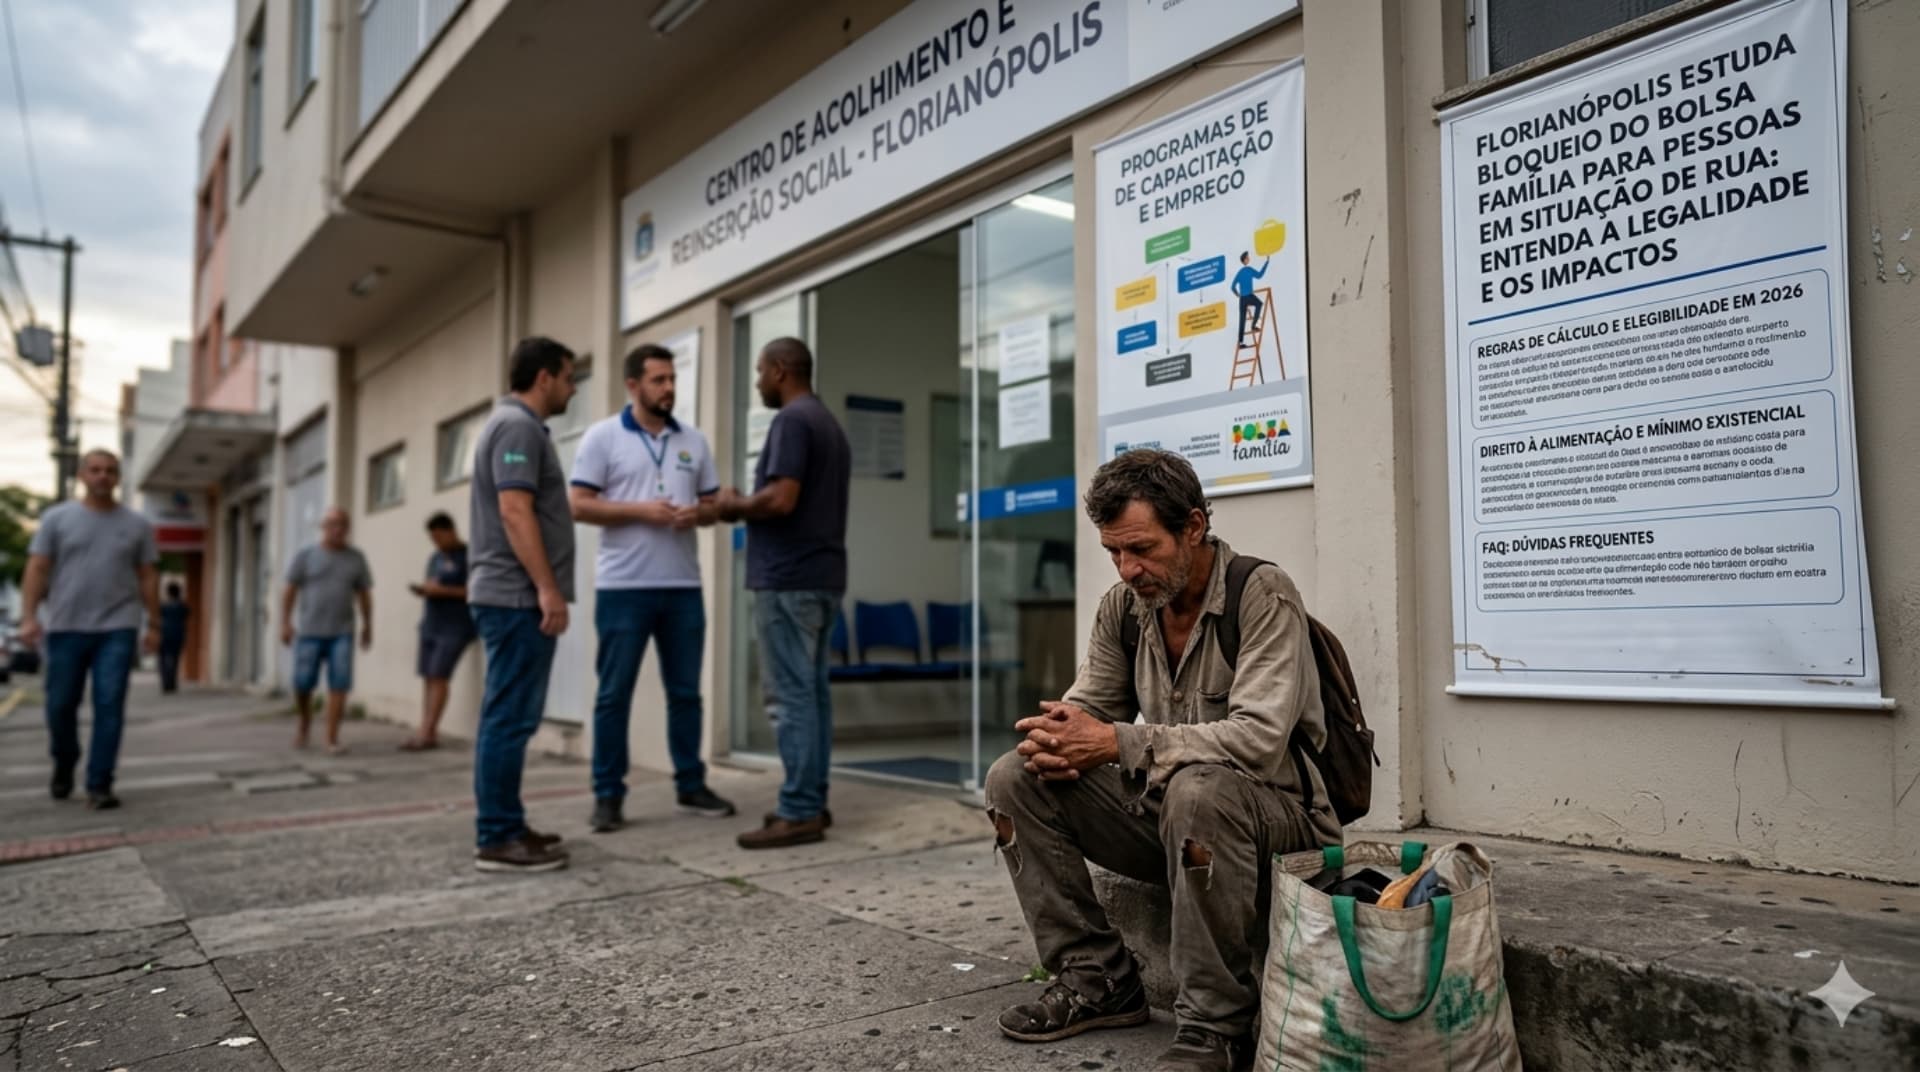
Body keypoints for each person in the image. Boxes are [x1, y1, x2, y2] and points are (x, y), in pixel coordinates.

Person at [984, 449, 1341, 1072]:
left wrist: (1119, 743)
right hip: (1181, 820)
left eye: (1142, 549)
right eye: (1115, 553)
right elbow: (1086, 713)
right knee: (1014, 778)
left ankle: (1216, 1026)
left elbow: (1257, 741)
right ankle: (1096, 979)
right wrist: (1054, 739)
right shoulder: (1124, 609)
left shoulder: (1263, 594)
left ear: (1194, 527)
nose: (1128, 568)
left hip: (1281, 826)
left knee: (1199, 789)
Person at [570, 342, 735, 832]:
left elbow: (713, 508)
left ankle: (690, 784)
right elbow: (579, 504)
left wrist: (698, 513)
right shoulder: (602, 437)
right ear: (633, 385)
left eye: (672, 379)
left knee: (686, 693)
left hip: (683, 586)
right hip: (623, 587)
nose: (669, 388)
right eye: (659, 380)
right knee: (613, 695)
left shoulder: (694, 441)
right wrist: (642, 509)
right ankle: (607, 795)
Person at [717, 337, 851, 850]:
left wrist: (733, 505)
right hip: (820, 577)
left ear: (778, 370)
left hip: (787, 580)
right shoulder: (827, 423)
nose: (756, 383)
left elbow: (781, 497)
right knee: (810, 695)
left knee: (790, 698)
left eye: (758, 372)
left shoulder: (792, 421)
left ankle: (798, 810)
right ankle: (809, 800)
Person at [468, 335, 578, 873]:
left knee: (510, 717)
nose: (572, 387)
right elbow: (515, 511)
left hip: (512, 595)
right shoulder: (516, 427)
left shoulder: (515, 425)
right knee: (508, 718)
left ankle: (506, 823)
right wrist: (547, 587)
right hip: (514, 597)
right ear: (543, 378)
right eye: (568, 376)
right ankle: (497, 836)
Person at [19, 450, 159, 809]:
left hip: (118, 626)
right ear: (82, 475)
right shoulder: (57, 519)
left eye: (110, 471)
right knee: (60, 706)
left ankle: (100, 783)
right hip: (65, 627)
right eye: (95, 470)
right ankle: (65, 763)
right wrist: (29, 617)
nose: (103, 476)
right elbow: (37, 568)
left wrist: (154, 623)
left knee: (109, 704)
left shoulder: (137, 525)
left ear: (118, 478)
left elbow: (147, 576)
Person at [280, 508, 373, 754]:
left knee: (339, 685)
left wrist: (367, 626)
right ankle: (304, 722)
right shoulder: (306, 556)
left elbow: (364, 594)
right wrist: (285, 622)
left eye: (343, 524)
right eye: (333, 524)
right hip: (309, 631)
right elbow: (290, 590)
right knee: (302, 684)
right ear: (323, 527)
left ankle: (331, 738)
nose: (338, 529)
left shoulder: (356, 558)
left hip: (342, 632)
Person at [403, 512, 476, 751]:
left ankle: (427, 732)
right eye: (432, 538)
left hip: (456, 625)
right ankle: (427, 730)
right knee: (428, 676)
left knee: (439, 675)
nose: (436, 542)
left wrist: (442, 591)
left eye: (438, 536)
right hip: (431, 623)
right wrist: (424, 590)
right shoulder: (435, 558)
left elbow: (474, 591)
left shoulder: (468, 556)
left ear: (450, 531)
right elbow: (433, 583)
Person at [157, 582, 190, 694]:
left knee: (162, 660)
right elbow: (188, 615)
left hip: (164, 634)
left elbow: (158, 617)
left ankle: (166, 682)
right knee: (175, 659)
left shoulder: (164, 606)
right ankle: (172, 683)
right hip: (178, 635)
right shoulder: (182, 606)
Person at [1231, 251, 1269, 345]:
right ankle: (1254, 325)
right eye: (1248, 257)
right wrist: (1266, 263)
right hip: (1249, 296)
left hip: (1242, 299)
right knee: (1259, 304)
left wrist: (1237, 294)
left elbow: (1232, 287)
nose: (1249, 258)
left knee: (1242, 320)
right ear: (1245, 260)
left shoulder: (1239, 273)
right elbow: (1259, 275)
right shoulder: (1249, 270)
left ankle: (1240, 342)